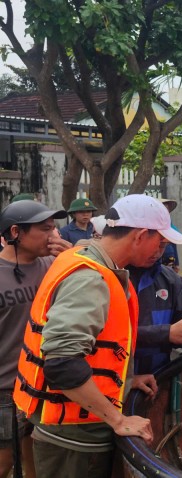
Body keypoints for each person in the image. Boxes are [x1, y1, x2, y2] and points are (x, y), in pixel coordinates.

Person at [15, 194, 182, 478]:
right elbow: (62, 364)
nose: (161, 249)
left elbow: (94, 350)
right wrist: (117, 419)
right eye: (161, 241)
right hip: (74, 440)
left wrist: (126, 381)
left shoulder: (82, 257)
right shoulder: (90, 278)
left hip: (75, 428)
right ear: (141, 235)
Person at [0, 201, 70, 478]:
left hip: (44, 384)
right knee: (4, 462)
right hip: (5, 390)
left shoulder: (55, 266)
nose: (54, 236)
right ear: (16, 232)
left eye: (54, 228)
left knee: (37, 465)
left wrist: (73, 256)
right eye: (45, 229)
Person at [128, 254, 182, 375]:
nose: (157, 251)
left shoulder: (172, 280)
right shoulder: (110, 278)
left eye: (163, 245)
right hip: (116, 382)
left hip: (160, 379)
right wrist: (167, 334)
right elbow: (113, 337)